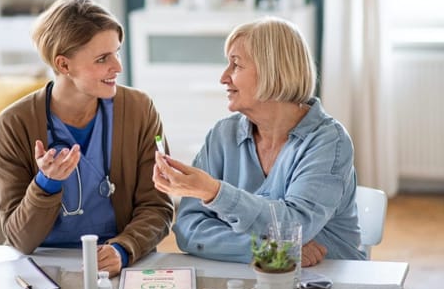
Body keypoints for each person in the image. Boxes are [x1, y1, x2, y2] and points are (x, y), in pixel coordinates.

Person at [152, 16, 365, 267]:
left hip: (328, 279)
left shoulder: (328, 142)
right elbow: (189, 229)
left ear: (272, 70)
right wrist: (270, 251)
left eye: (236, 65)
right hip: (251, 277)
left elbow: (295, 226)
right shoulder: (223, 135)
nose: (223, 77)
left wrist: (213, 191)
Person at [0, 0, 174, 277]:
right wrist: (46, 183)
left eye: (117, 52)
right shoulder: (14, 125)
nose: (118, 67)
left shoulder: (139, 110)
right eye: (103, 59)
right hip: (42, 266)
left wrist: (124, 249)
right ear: (64, 65)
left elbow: (158, 206)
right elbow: (19, 240)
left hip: (119, 262)